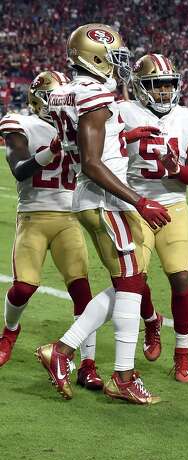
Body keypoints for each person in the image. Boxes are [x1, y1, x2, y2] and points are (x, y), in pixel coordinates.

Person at [35, 23, 170, 405]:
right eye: (114, 57)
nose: (119, 64)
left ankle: (67, 352)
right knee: (131, 283)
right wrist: (139, 200)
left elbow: (80, 145)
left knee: (130, 281)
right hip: (103, 197)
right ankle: (114, 372)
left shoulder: (63, 93)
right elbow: (93, 162)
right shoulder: (94, 92)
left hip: (88, 197)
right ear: (93, 57)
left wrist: (128, 136)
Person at [0, 71, 101, 391]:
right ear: (37, 100)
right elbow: (19, 169)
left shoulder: (77, 129)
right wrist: (52, 150)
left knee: (82, 292)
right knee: (24, 288)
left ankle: (87, 363)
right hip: (32, 218)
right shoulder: (20, 124)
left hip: (68, 219)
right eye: (54, 100)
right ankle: (9, 332)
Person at [118, 53, 188, 383]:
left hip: (174, 207)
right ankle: (152, 321)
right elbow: (101, 148)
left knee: (180, 279)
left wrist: (178, 169)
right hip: (135, 206)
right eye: (157, 85)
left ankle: (182, 352)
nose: (165, 92)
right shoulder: (124, 112)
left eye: (169, 84)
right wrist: (125, 137)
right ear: (141, 88)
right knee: (134, 280)